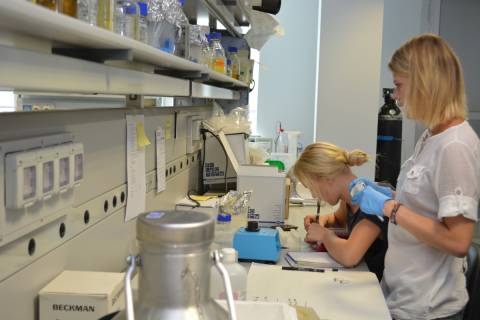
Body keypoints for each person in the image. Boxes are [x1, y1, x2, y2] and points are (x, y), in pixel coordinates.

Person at [351, 34, 480, 320]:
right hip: (403, 295)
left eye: (399, 86)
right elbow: (426, 205)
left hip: (429, 307)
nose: (395, 96)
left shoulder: (455, 145)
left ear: (423, 82)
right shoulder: (432, 135)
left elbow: (458, 241)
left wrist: (390, 209)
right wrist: (388, 195)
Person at [292, 141, 389, 280]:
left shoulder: (370, 203)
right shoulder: (349, 199)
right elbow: (337, 219)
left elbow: (349, 256)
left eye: (312, 188)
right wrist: (321, 220)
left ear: (327, 179)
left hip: (384, 291)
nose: (314, 195)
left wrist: (325, 235)